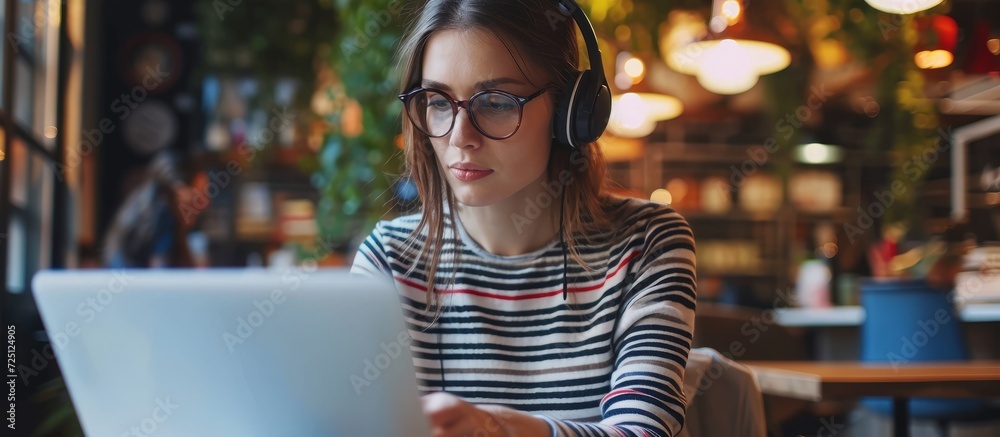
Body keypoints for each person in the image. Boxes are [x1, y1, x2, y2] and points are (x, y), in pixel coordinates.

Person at [350, 1, 697, 436]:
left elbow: (644, 431)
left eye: (495, 102)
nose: (460, 138)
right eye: (437, 101)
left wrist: (498, 428)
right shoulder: (389, 259)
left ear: (569, 110)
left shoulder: (648, 242)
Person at [102, 149, 210, 268]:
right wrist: (178, 186)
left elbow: (195, 268)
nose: (202, 204)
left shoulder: (173, 222)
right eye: (195, 198)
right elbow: (161, 163)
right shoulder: (151, 203)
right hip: (120, 258)